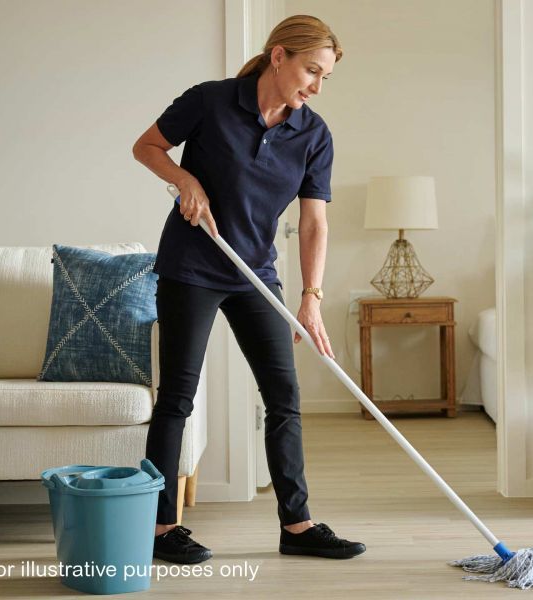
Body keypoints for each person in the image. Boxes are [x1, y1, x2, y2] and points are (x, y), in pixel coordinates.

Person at [131, 15, 365, 564]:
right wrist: (185, 180)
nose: (316, 86)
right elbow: (146, 146)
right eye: (312, 71)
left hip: (256, 273)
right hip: (191, 266)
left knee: (284, 398)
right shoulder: (211, 102)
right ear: (278, 56)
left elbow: (314, 224)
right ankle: (161, 528)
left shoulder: (313, 134)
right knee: (177, 400)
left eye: (325, 77)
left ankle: (298, 526)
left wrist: (312, 296)